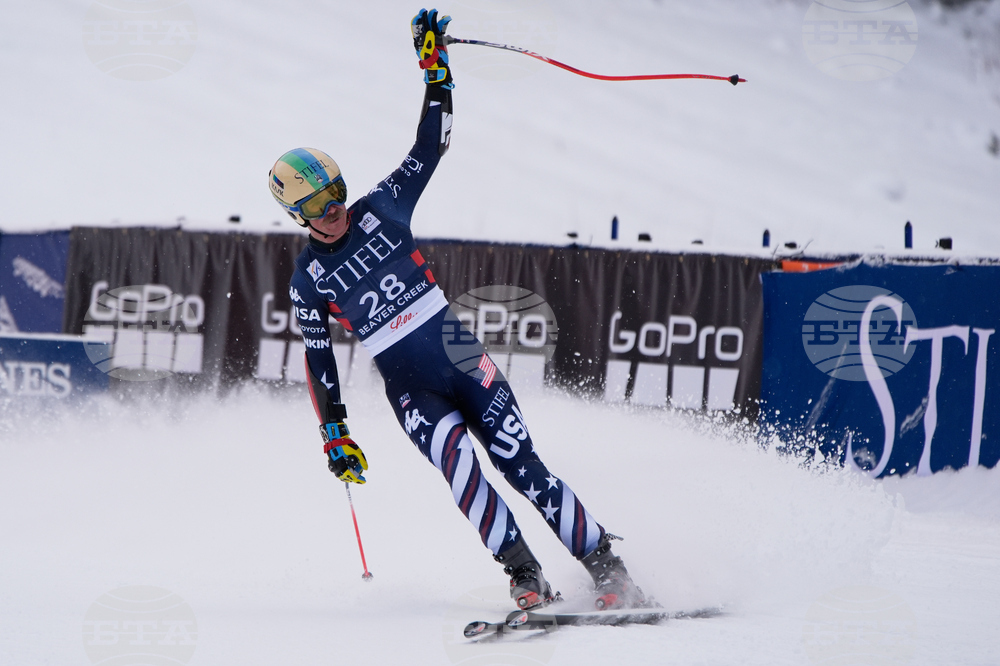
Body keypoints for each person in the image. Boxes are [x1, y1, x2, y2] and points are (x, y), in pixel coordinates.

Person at [269, 8, 644, 612]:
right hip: (411, 389)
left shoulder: (382, 209)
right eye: (318, 205)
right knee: (463, 474)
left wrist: (435, 72)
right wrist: (333, 432)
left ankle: (608, 567)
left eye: (336, 192)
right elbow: (318, 363)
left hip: (461, 355)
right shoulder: (308, 279)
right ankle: (525, 575)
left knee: (523, 466)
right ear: (298, 216)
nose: (333, 210)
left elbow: (431, 144)